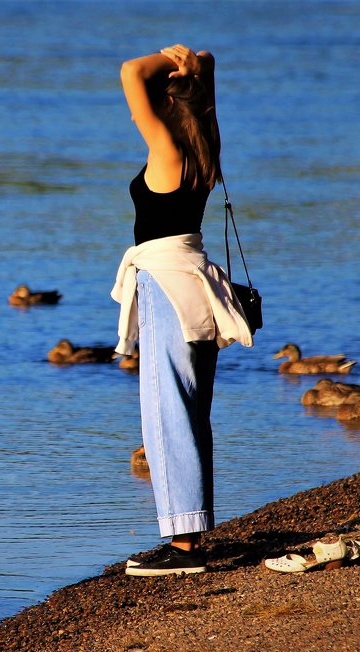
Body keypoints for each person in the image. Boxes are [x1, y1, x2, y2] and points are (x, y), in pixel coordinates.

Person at [112, 44, 253, 576]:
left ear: (168, 108)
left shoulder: (168, 148)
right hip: (196, 284)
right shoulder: (205, 144)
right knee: (191, 411)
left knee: (167, 411)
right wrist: (195, 64)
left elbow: (130, 73)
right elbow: (209, 64)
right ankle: (190, 533)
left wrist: (169, 60)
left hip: (168, 286)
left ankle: (181, 547)